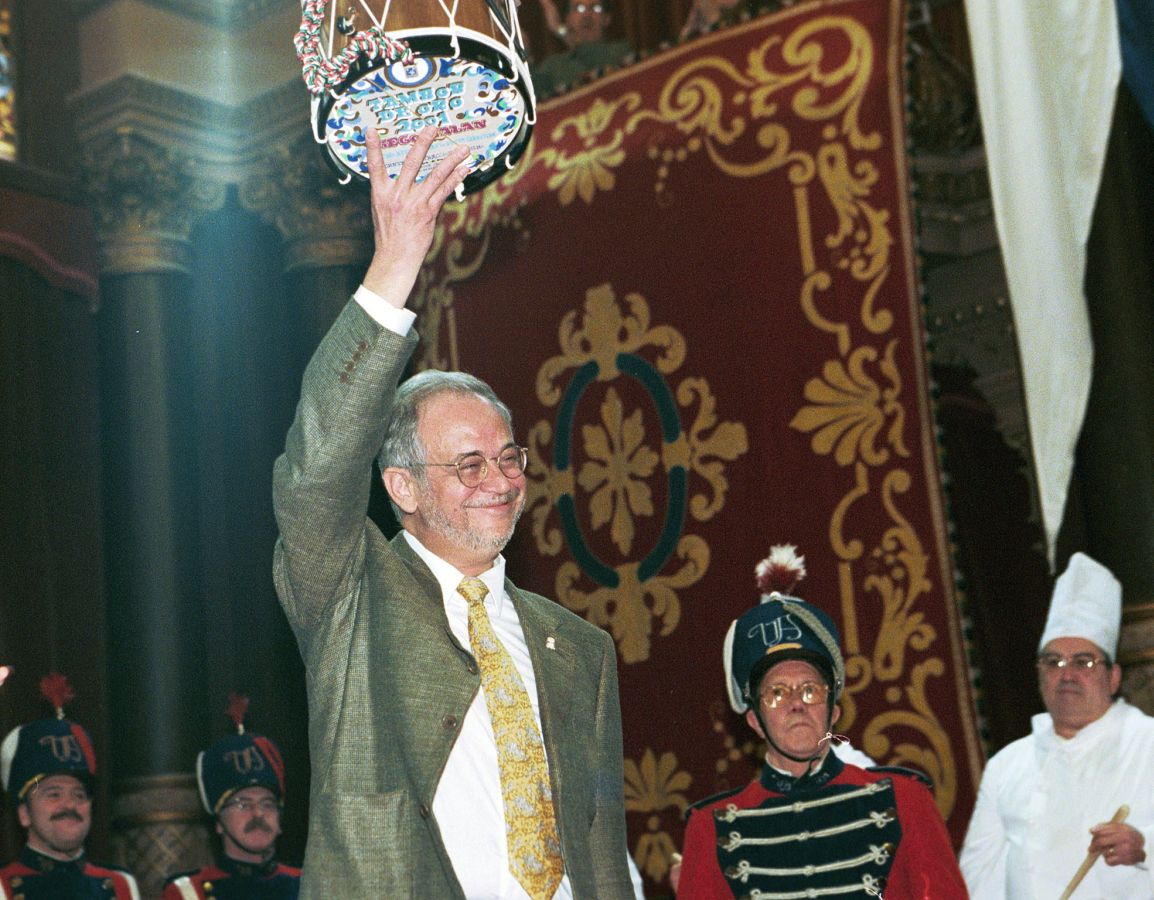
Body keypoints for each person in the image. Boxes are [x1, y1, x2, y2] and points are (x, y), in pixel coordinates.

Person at [272, 125, 632, 898]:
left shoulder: (581, 648)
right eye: (467, 464)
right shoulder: (352, 600)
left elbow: (604, 856)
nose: (500, 480)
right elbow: (315, 474)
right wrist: (396, 261)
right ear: (402, 487)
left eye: (508, 458)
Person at [677, 545, 968, 898]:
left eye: (810, 690)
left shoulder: (906, 800)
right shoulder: (710, 828)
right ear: (754, 720)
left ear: (833, 712)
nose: (796, 704)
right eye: (777, 693)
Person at [960, 552, 1154, 898]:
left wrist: (1144, 847)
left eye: (1084, 662)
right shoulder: (1007, 766)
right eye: (1054, 662)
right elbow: (978, 879)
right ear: (1039, 675)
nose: (1067, 674)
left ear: (1113, 677)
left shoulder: (1148, 743)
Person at [0, 673, 140, 899]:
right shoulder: (3, 888)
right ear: (24, 814)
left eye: (79, 795)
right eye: (53, 794)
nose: (69, 804)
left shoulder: (120, 886)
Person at [162, 694, 300, 899]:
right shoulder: (188, 893)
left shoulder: (309, 886)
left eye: (268, 804)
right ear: (218, 821)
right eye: (243, 805)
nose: (258, 814)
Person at [533, 0, 634, 96]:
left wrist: (561, 31)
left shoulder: (620, 52)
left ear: (606, 19)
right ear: (568, 20)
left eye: (595, 8)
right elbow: (531, 93)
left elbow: (594, 62)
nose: (587, 15)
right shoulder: (553, 65)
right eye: (579, 8)